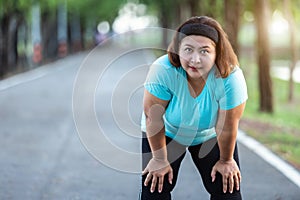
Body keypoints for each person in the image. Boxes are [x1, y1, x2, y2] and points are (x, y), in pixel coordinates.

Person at [139, 16, 248, 200]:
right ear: (178, 50)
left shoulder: (230, 77)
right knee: (156, 187)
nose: (194, 60)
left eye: (205, 51)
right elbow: (153, 117)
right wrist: (159, 159)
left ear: (217, 53)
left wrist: (226, 160)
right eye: (188, 50)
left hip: (209, 134)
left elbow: (228, 125)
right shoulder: (163, 70)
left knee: (227, 188)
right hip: (167, 131)